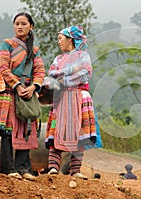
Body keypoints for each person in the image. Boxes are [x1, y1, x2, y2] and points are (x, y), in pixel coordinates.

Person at [0, 12, 45, 180]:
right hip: (9, 91)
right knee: (8, 130)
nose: (20, 26)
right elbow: (2, 66)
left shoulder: (34, 50)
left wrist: (34, 87)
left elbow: (39, 71)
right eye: (17, 23)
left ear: (31, 27)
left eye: (24, 23)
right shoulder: (6, 44)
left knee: (26, 129)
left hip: (27, 92)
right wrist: (16, 85)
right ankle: (8, 168)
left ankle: (24, 168)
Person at [44, 25, 97, 179]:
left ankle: (76, 170)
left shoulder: (83, 55)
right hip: (61, 98)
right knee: (57, 130)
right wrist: (71, 70)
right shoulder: (58, 58)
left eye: (60, 38)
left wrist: (62, 77)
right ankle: (53, 167)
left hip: (79, 97)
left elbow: (85, 73)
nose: (58, 42)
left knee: (79, 133)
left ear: (70, 39)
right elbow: (51, 73)